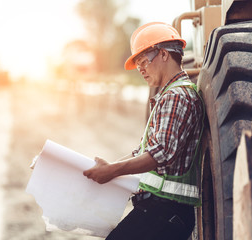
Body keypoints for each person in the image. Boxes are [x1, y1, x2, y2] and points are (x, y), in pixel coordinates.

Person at [83, 22, 204, 240]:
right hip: (162, 210)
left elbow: (161, 153)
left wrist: (112, 171)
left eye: (143, 61)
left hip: (166, 211)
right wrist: (107, 168)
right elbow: (143, 151)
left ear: (164, 54)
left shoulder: (176, 96)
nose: (140, 69)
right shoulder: (170, 94)